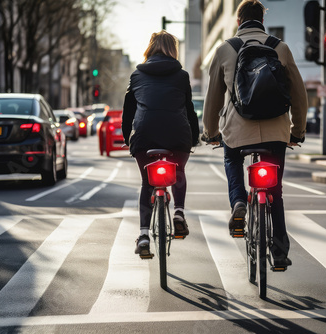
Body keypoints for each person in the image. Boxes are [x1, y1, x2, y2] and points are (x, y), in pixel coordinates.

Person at [201, 0, 307, 268]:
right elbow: (299, 95)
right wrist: (297, 131)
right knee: (275, 192)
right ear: (262, 19)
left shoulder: (225, 49)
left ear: (238, 21)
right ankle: (280, 252)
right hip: (276, 132)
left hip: (238, 131)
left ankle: (238, 201)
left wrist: (210, 132)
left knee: (232, 159)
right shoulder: (279, 48)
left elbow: (213, 100)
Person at [122, 31, 199, 257]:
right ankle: (178, 214)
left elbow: (128, 113)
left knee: (148, 183)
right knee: (179, 171)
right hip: (177, 135)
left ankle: (144, 235)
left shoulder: (136, 75)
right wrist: (193, 138)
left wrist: (129, 138)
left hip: (145, 136)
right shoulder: (182, 76)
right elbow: (189, 110)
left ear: (150, 49)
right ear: (172, 50)